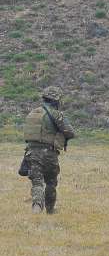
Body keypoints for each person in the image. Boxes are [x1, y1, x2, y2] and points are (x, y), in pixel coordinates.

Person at [21, 86, 76, 214]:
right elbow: (70, 132)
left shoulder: (33, 113)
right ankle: (50, 210)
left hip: (31, 152)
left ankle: (36, 206)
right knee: (51, 182)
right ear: (56, 100)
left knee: (37, 181)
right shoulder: (55, 114)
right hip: (49, 153)